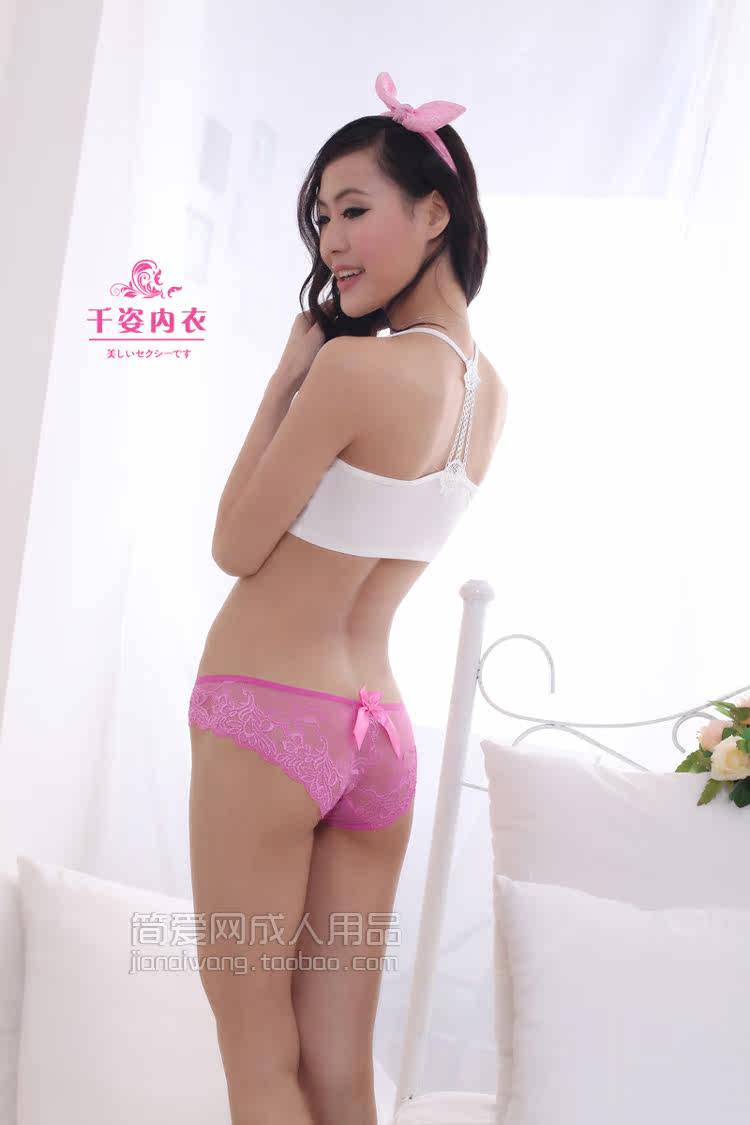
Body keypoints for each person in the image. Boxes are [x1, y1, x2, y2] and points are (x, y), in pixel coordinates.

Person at [188, 71, 509, 1125]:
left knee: (257, 1057)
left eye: (355, 209)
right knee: (339, 1066)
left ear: (436, 212)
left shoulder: (351, 374)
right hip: (380, 743)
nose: (331, 241)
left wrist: (285, 379)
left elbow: (235, 546)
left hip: (266, 713)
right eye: (321, 218)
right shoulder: (489, 395)